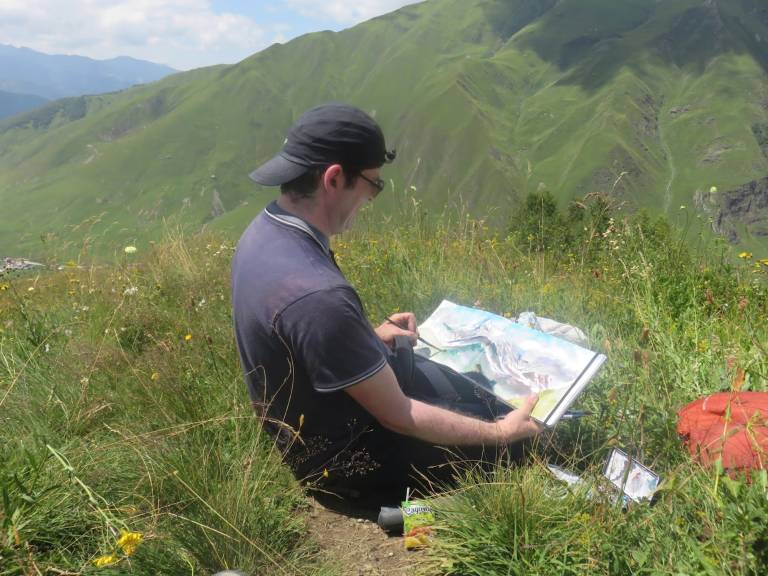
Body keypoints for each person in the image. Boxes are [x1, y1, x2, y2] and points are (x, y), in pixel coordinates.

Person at [231, 102, 543, 505]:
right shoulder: (319, 295)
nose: (371, 199)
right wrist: (500, 434)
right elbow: (400, 415)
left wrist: (363, 338)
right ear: (334, 178)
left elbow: (300, 339)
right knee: (526, 433)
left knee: (471, 391)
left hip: (315, 436)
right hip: (354, 464)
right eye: (373, 184)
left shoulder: (264, 231)